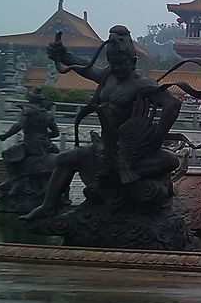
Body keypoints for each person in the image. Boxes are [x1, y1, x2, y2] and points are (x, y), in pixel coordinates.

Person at [22, 27, 182, 220]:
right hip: (104, 147)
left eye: (122, 64)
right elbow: (85, 67)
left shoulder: (141, 85)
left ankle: (116, 176)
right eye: (113, 63)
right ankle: (48, 206)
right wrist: (63, 55)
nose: (118, 68)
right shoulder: (108, 77)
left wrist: (157, 137)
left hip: (131, 151)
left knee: (171, 160)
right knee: (64, 160)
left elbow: (172, 103)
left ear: (132, 62)